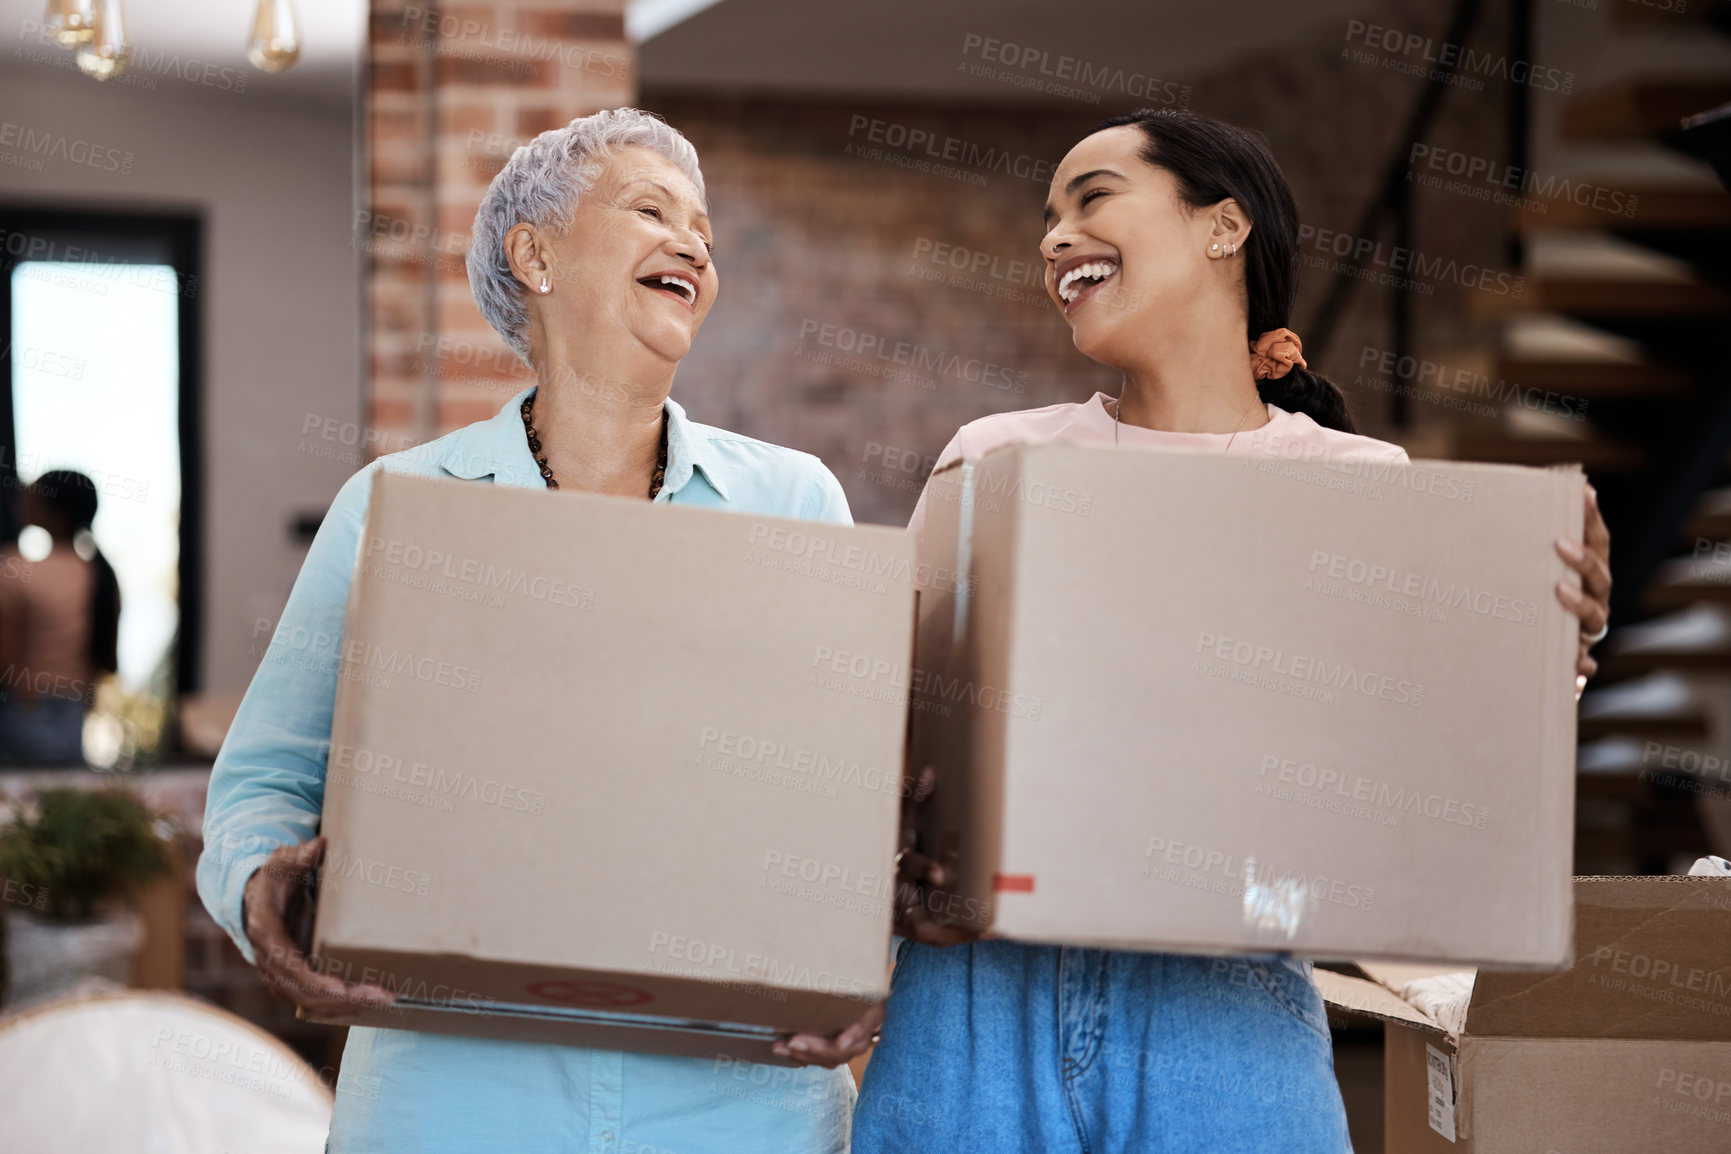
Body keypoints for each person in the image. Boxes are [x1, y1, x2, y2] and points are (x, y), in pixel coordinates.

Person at [797, 109, 1613, 1151]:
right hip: (977, 996)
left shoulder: (1356, 489)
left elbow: (1434, 766)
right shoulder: (994, 457)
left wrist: (1548, 643)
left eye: (1090, 199)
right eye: (1045, 217)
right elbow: (890, 727)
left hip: (1226, 1006)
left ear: (1223, 227)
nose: (1053, 238)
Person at [197, 108, 861, 1153]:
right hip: (452, 1085)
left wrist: (866, 934)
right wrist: (259, 893)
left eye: (706, 231)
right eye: (652, 209)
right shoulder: (396, 502)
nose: (693, 243)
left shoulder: (792, 499)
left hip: (735, 1092)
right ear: (536, 253)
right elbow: (261, 785)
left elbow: (849, 788)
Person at [0, 470, 121, 765]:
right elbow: (108, 661)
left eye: (31, 496)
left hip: (23, 709)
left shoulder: (15, 570)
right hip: (73, 713)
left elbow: (6, 659)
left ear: (55, 512)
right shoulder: (100, 574)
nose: (20, 501)